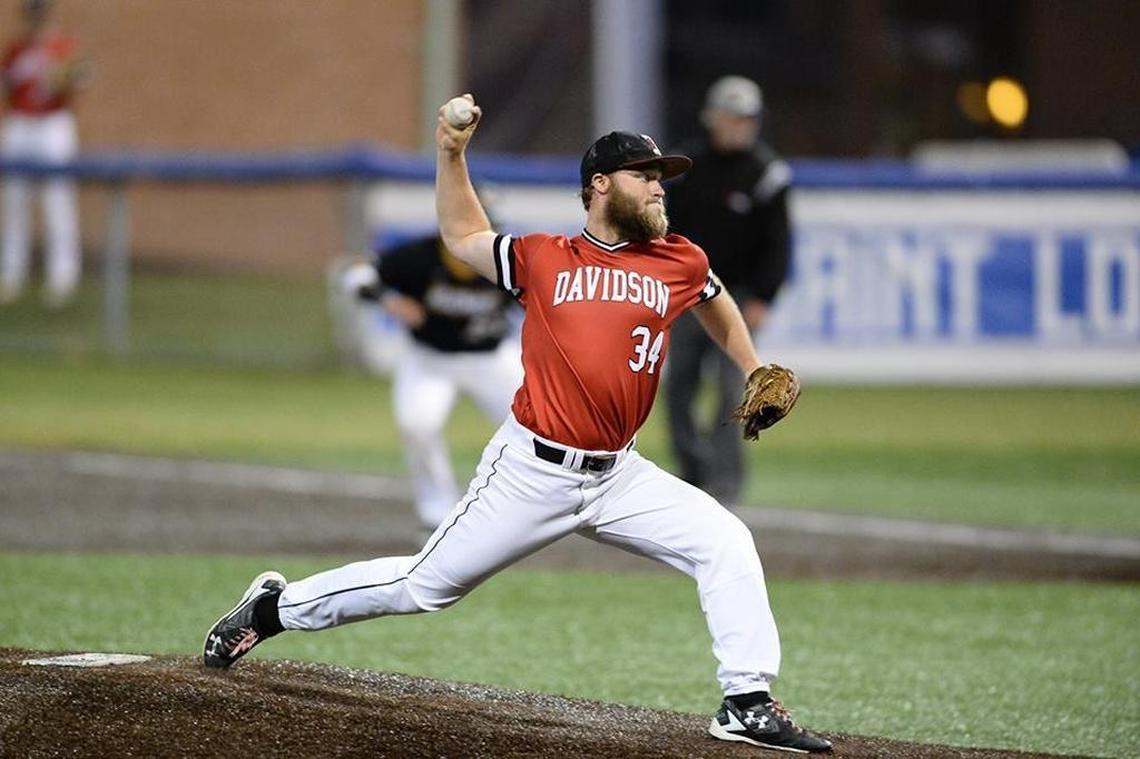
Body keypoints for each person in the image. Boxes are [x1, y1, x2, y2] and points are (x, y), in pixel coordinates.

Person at [202, 94, 830, 754]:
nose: (657, 186)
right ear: (600, 185)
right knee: (422, 587)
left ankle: (747, 699)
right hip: (532, 471)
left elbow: (715, 297)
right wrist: (451, 152)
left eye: (660, 176)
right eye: (643, 175)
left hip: (620, 475)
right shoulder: (544, 257)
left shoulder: (676, 259)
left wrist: (753, 362)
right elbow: (462, 237)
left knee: (725, 540)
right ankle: (273, 606)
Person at [664, 75, 792, 505]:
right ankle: (693, 470)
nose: (741, 125)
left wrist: (763, 296)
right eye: (733, 117)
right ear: (713, 118)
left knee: (729, 392)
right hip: (686, 295)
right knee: (676, 386)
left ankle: (725, 483)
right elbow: (666, 233)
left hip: (734, 296)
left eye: (748, 118)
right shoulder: (686, 170)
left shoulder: (767, 174)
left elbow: (779, 242)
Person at [340, 231, 522, 532]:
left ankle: (538, 500)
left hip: (491, 357)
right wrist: (388, 300)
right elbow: (355, 274)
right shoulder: (419, 256)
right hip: (429, 358)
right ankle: (438, 512)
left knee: (540, 423)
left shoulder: (505, 256)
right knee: (417, 424)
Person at [0, 0, 85, 307]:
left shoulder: (63, 47)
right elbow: (7, 88)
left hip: (53, 125)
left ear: (46, 16)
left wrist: (67, 78)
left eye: (38, 15)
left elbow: (77, 84)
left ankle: (62, 276)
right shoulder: (15, 51)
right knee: (14, 200)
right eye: (30, 16)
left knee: (57, 199)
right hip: (20, 124)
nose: (34, 22)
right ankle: (11, 274)